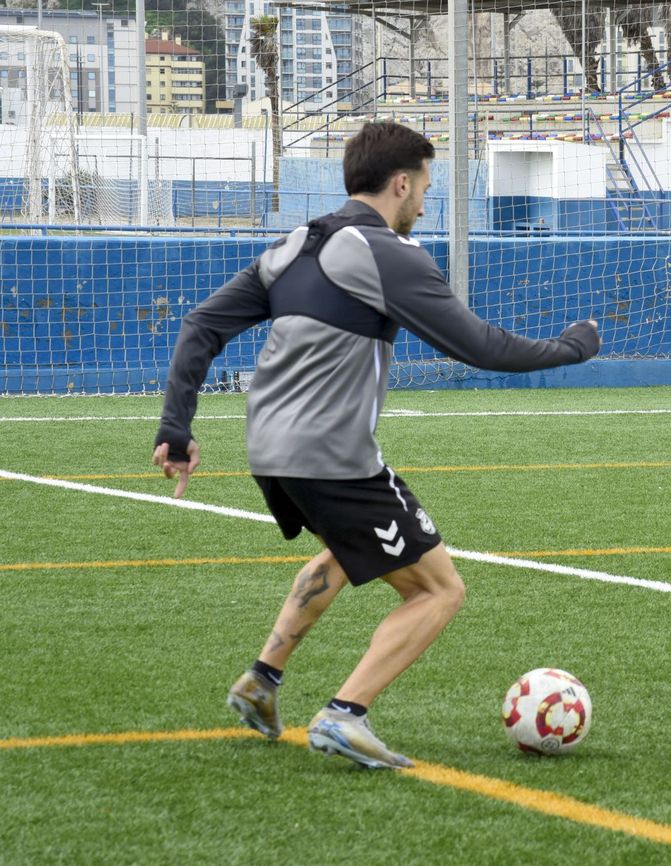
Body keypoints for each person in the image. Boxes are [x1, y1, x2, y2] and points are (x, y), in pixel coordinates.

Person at [152, 121, 601, 769]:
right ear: (399, 182)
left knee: (346, 549)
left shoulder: (292, 246)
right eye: (423, 186)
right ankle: (345, 714)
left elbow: (201, 325)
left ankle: (261, 682)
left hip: (270, 451)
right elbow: (476, 346)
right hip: (330, 455)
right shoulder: (388, 253)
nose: (424, 201)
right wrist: (572, 348)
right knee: (438, 589)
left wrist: (176, 427)